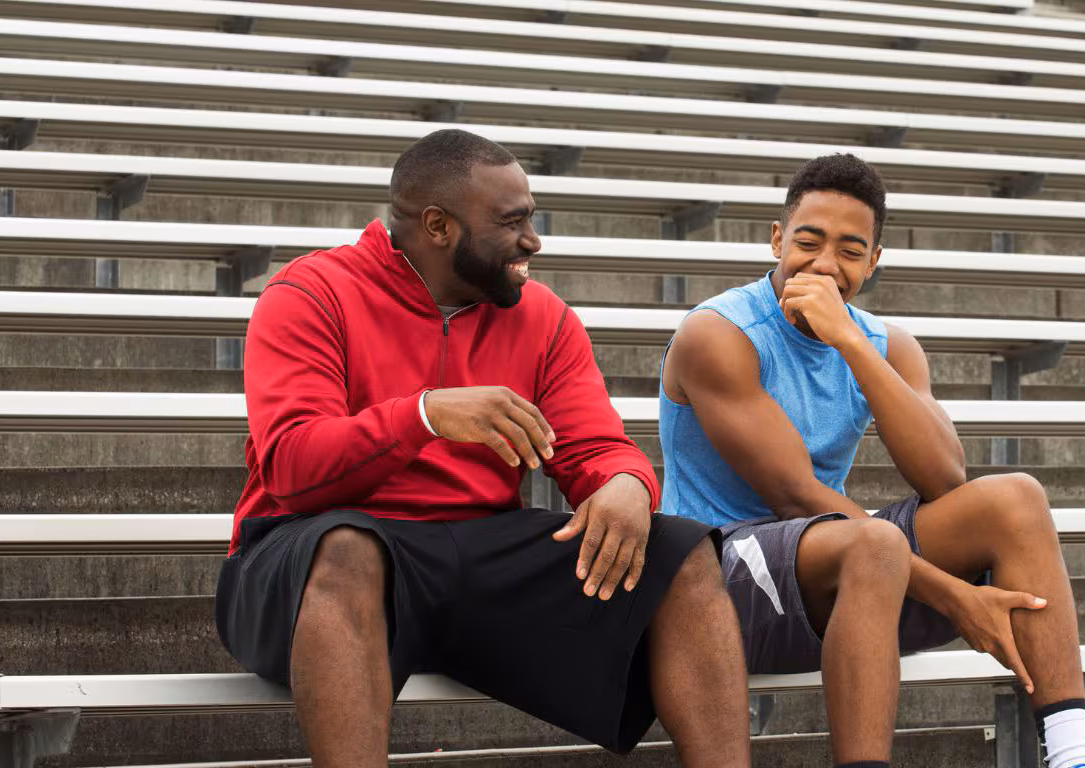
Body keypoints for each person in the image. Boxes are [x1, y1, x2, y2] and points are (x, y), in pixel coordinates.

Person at [215, 128, 751, 768]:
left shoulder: (543, 316)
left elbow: (597, 447)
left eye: (531, 218)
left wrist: (626, 484)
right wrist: (424, 415)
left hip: (475, 551)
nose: (533, 240)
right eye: (511, 222)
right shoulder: (310, 292)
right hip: (306, 554)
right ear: (438, 226)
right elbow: (291, 467)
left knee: (682, 553)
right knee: (349, 548)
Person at [659, 153, 1085, 768]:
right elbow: (794, 495)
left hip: (832, 567)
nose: (824, 264)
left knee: (1015, 500)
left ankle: (1074, 754)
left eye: (849, 251)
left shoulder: (886, 343)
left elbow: (944, 477)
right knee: (872, 542)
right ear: (777, 239)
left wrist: (850, 342)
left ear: (873, 261)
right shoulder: (719, 333)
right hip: (713, 581)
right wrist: (955, 596)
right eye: (808, 242)